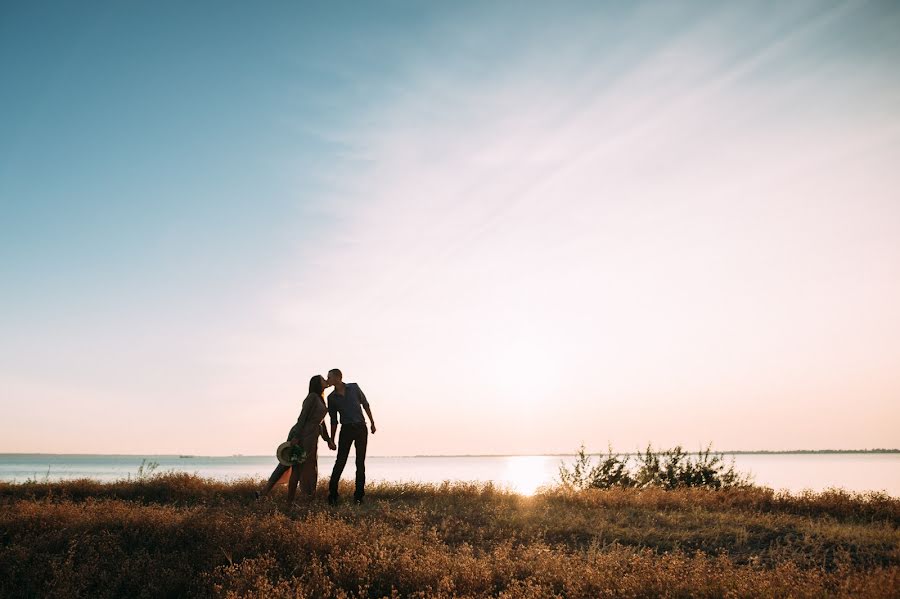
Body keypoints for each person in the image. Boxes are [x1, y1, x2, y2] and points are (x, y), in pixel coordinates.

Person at [259, 374, 333, 503]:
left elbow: (322, 422)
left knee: (299, 466)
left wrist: (328, 440)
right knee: (294, 466)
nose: (326, 380)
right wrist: (297, 437)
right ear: (317, 384)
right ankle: (285, 500)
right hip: (304, 434)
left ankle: (274, 495)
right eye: (323, 379)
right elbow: (302, 417)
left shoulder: (320, 398)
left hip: (312, 435)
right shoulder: (312, 397)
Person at [326, 368, 376, 504]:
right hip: (346, 430)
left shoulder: (354, 387)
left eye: (329, 377)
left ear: (337, 377)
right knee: (340, 461)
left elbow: (365, 404)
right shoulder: (331, 398)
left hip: (361, 428)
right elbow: (333, 420)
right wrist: (332, 439)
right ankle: (333, 495)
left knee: (360, 462)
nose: (328, 380)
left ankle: (359, 496)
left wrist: (372, 422)